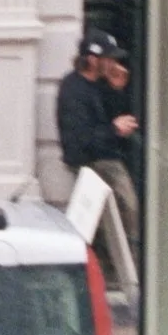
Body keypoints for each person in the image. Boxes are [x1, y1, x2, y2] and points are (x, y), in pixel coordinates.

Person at [53, 35, 142, 301]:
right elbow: (79, 139)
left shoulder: (98, 86)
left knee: (110, 218)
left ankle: (115, 270)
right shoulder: (73, 91)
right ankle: (119, 271)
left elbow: (114, 117)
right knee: (125, 209)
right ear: (93, 60)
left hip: (106, 158)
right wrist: (113, 130)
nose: (113, 64)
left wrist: (117, 90)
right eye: (108, 59)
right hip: (93, 162)